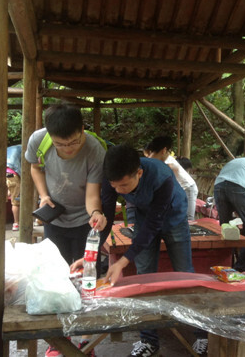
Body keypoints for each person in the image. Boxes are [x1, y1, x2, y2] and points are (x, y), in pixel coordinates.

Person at [24, 103, 109, 357]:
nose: (68, 148)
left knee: (86, 280)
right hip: (55, 220)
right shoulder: (39, 140)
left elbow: (92, 194)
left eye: (73, 142)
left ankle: (85, 341)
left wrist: (95, 214)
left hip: (84, 221)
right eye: (61, 144)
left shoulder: (94, 150)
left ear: (82, 129)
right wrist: (43, 195)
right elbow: (34, 167)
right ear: (50, 136)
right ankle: (58, 341)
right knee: (56, 279)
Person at [98, 144, 195, 357]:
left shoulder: (162, 177)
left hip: (174, 216)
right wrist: (93, 254)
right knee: (143, 277)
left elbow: (153, 225)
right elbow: (107, 215)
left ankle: (199, 334)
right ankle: (149, 340)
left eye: (124, 185)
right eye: (114, 186)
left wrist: (122, 261)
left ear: (139, 173)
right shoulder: (111, 176)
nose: (119, 190)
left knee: (185, 274)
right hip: (144, 215)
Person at [144, 136, 199, 223]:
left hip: (188, 187)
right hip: (178, 190)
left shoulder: (164, 160)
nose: (168, 154)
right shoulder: (157, 160)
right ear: (164, 150)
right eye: (168, 151)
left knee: (188, 219)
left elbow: (173, 169)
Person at [6, 145, 22, 232]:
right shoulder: (24, 149)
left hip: (5, 172)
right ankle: (16, 223)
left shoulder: (10, 149)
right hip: (13, 174)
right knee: (16, 201)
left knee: (10, 191)